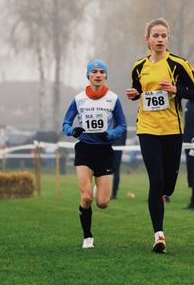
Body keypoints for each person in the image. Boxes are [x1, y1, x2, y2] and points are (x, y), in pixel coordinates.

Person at [126, 18, 194, 253]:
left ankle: (166, 193)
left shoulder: (179, 64)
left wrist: (177, 90)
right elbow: (138, 90)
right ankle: (159, 235)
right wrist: (134, 94)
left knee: (167, 186)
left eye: (163, 36)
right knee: (155, 180)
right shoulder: (139, 66)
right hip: (147, 129)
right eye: (155, 36)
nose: (159, 40)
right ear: (146, 39)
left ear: (168, 39)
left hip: (172, 130)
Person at [62, 59, 126, 249]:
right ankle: (87, 236)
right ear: (88, 75)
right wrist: (72, 131)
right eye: (94, 72)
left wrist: (111, 134)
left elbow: (122, 125)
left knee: (103, 203)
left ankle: (99, 188)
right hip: (84, 150)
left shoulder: (113, 99)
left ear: (106, 76)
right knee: (86, 198)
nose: (98, 75)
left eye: (101, 72)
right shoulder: (79, 99)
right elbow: (66, 123)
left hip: (104, 151)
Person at [111, 130, 128, 199]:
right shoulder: (121, 119)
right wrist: (123, 145)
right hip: (119, 146)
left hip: (108, 145)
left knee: (106, 170)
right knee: (116, 170)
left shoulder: (107, 119)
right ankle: (114, 194)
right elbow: (124, 133)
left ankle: (105, 193)